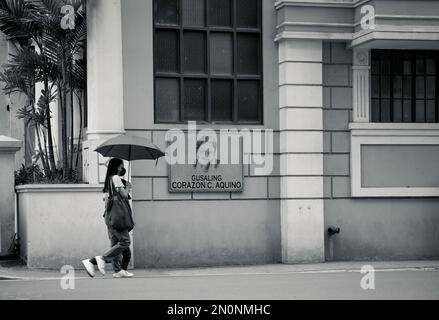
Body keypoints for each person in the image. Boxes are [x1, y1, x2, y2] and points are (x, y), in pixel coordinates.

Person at [82, 158, 134, 279]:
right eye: (121, 166)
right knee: (125, 242)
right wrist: (128, 187)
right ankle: (97, 260)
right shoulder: (115, 178)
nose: (122, 168)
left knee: (117, 245)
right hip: (117, 218)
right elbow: (124, 195)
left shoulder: (108, 183)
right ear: (117, 167)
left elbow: (106, 202)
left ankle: (118, 270)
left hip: (110, 217)